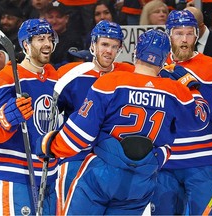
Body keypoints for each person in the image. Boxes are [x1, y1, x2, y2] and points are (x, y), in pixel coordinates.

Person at [35, 28, 211, 215]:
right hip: (141, 180)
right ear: (166, 57)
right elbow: (199, 120)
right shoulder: (176, 91)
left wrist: (49, 146)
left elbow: (79, 135)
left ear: (135, 53)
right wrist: (191, 88)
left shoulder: (111, 82)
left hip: (102, 173)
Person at [150, 10, 212, 215]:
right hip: (164, 161)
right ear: (169, 34)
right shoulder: (153, 66)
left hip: (203, 161)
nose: (185, 40)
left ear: (198, 35)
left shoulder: (211, 67)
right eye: (179, 33)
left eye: (190, 33)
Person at [55, 20, 135, 215]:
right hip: (75, 158)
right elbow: (48, 111)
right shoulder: (70, 74)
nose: (109, 51)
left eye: (114, 46)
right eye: (104, 44)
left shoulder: (128, 74)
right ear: (93, 45)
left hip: (113, 161)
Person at [0, 18, 59, 215]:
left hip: (47, 174)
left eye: (50, 38)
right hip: (15, 172)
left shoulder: (53, 77)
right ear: (26, 44)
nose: (48, 44)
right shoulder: (7, 77)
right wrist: (7, 118)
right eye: (40, 39)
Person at [44, 0, 83, 69]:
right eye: (50, 17)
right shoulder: (42, 39)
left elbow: (70, 65)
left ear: (66, 18)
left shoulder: (74, 39)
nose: (54, 21)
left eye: (59, 17)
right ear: (45, 19)